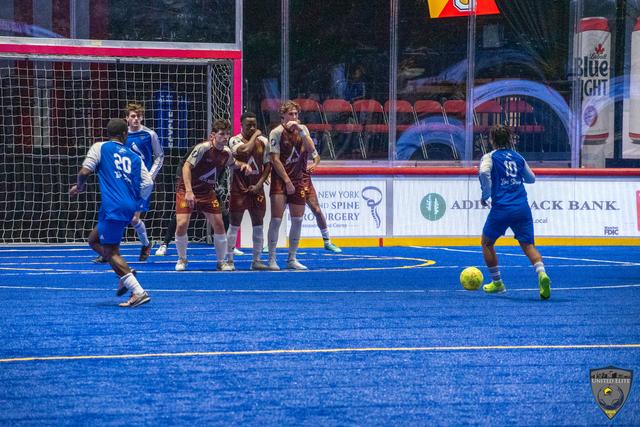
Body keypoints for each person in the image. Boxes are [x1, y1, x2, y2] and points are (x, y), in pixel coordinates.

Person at [69, 118, 153, 308]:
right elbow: (148, 183)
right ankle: (125, 272)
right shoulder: (134, 157)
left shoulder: (100, 147)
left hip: (112, 206)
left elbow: (84, 172)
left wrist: (79, 187)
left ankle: (138, 291)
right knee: (93, 240)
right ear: (125, 135)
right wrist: (137, 202)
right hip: (127, 205)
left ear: (108, 133)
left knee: (110, 251)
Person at [478, 124, 551, 300]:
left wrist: (486, 194)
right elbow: (531, 179)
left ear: (492, 140)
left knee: (486, 243)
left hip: (502, 207)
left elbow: (483, 172)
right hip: (521, 207)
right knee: (528, 245)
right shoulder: (518, 157)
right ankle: (542, 273)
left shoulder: (490, 157)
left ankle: (497, 283)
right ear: (509, 139)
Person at [174, 119, 248, 271]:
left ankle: (221, 262)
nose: (225, 137)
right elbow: (186, 167)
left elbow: (233, 164)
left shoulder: (226, 153)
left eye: (227, 134)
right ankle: (182, 259)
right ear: (213, 135)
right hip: (187, 190)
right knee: (181, 224)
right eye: (222, 134)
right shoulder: (203, 148)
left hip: (207, 192)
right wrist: (189, 191)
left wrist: (244, 165)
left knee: (219, 224)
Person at [93, 102, 163, 263]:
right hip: (123, 183)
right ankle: (108, 251)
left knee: (133, 219)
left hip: (141, 183)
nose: (136, 119)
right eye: (133, 116)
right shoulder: (122, 136)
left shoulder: (150, 134)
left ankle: (145, 244)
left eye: (139, 116)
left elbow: (159, 156)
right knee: (115, 216)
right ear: (127, 118)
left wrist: (150, 175)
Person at [266, 100, 316, 270]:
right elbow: (275, 160)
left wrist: (301, 131)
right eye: (290, 114)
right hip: (280, 180)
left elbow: (311, 149)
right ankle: (271, 259)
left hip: (298, 179)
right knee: (276, 219)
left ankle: (292, 258)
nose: (294, 117)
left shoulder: (303, 130)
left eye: (296, 114)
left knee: (298, 220)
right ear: (283, 116)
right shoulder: (276, 132)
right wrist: (287, 181)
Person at [225, 112, 272, 270]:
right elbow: (244, 151)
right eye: (248, 125)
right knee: (234, 225)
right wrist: (256, 135)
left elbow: (268, 165)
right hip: (239, 188)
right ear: (241, 125)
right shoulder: (234, 139)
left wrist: (259, 185)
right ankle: (229, 260)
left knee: (258, 225)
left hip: (257, 188)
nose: (252, 128)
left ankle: (256, 261)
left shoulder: (264, 142)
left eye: (254, 125)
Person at [304, 149, 342, 253]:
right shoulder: (281, 139)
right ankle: (270, 243)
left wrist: (314, 164)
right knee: (279, 213)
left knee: (317, 210)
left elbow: (316, 157)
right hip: (289, 177)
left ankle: (327, 242)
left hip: (304, 179)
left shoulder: (306, 140)